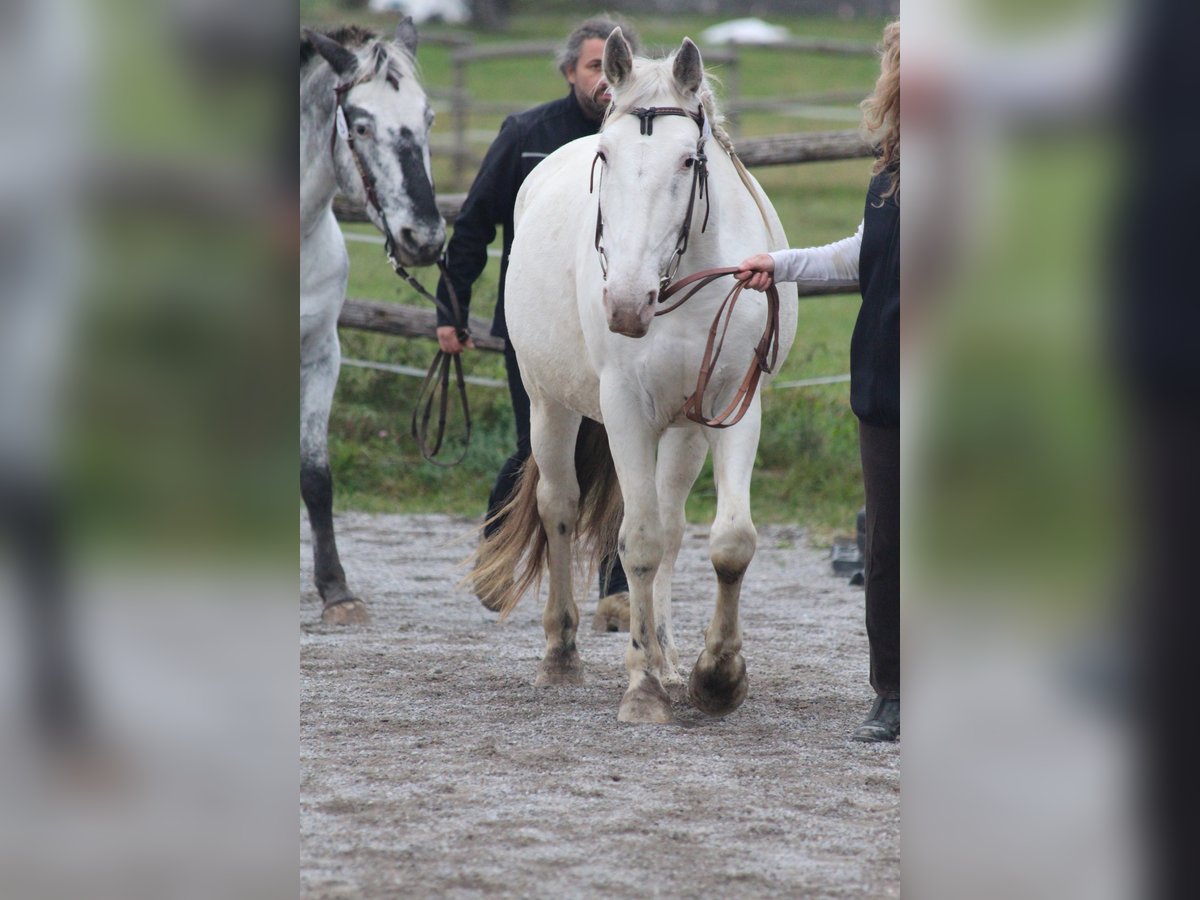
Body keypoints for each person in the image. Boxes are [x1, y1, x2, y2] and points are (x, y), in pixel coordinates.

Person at [435, 17, 638, 623]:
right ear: (569, 72)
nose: (604, 80)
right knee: (539, 451)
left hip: (622, 330)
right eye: (593, 66)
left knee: (627, 457)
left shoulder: (643, 138)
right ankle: (499, 555)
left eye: (612, 66)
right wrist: (451, 309)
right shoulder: (527, 134)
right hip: (541, 332)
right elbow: (472, 225)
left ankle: (617, 589)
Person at [736, 20, 901, 742]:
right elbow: (861, 256)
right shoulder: (891, 174)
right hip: (887, 382)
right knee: (889, 546)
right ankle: (893, 691)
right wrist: (779, 262)